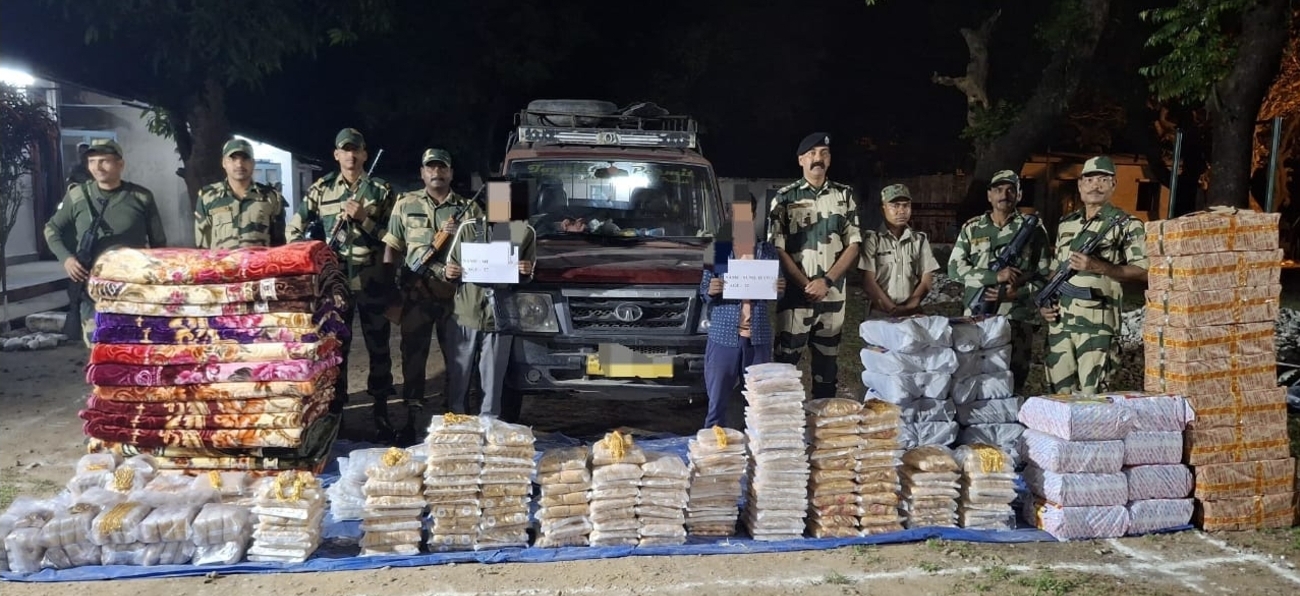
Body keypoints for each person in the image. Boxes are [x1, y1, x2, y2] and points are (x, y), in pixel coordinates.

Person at [287, 128, 397, 416]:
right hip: (335, 280)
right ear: (336, 155)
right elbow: (294, 229)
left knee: (378, 344)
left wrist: (364, 219)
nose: (351, 155)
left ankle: (381, 409)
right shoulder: (321, 188)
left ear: (364, 154)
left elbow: (394, 237)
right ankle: (336, 409)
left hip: (371, 277)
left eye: (356, 149)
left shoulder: (381, 190)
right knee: (335, 344)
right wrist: (314, 257)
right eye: (345, 150)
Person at [381, 148, 482, 444]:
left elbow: (485, 250)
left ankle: (455, 416)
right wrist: (389, 286)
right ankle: (412, 419)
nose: (436, 172)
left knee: (459, 358)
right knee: (413, 358)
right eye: (431, 168)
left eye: (442, 168)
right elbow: (392, 246)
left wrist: (462, 256)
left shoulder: (468, 209)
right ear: (422, 173)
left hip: (455, 296)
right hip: (416, 294)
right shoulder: (405, 203)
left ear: (450, 173)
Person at [1039, 156, 1148, 394]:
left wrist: (1100, 267)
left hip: (1098, 326)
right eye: (1089, 180)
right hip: (1060, 325)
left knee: (1094, 399)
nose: (1095, 185)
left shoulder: (1127, 224)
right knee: (1059, 398)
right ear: (1080, 185)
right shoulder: (1067, 224)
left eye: (1103, 180)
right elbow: (1056, 270)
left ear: (1113, 185)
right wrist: (1045, 304)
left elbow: (1143, 270)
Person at [43, 139, 168, 347]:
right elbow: (51, 229)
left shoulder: (141, 197)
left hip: (133, 289)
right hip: (92, 291)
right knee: (99, 348)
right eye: (92, 161)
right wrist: (67, 259)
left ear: (120, 164)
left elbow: (159, 244)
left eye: (104, 161)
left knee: (133, 347)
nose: (97, 167)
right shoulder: (77, 196)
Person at [767, 132, 861, 399]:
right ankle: (784, 423)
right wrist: (806, 285)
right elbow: (777, 248)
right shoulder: (784, 198)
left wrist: (826, 281)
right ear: (801, 160)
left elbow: (853, 244)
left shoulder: (844, 195)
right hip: (796, 298)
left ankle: (822, 422)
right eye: (812, 154)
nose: (818, 158)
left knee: (827, 371)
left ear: (829, 159)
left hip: (833, 297)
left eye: (824, 153)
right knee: (784, 370)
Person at [948, 170, 1050, 393]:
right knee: (971, 378)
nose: (1004, 195)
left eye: (1011, 190)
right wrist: (995, 276)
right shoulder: (972, 228)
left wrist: (1017, 293)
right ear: (989, 195)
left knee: (1013, 381)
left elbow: (1044, 276)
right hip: (977, 316)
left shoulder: (1032, 230)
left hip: (1017, 318)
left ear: (1019, 195)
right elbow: (954, 270)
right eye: (998, 190)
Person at [440, 205, 537, 420]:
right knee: (458, 380)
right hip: (466, 314)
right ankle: (457, 428)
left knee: (492, 386)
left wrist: (526, 271)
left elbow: (530, 274)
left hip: (500, 319)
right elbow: (448, 267)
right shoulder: (468, 228)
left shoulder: (525, 232)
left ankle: (488, 428)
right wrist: (449, 273)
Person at [700, 195, 784, 429]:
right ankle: (713, 445)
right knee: (716, 404)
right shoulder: (718, 250)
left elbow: (778, 292)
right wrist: (710, 290)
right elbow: (703, 291)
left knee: (759, 404)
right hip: (723, 335)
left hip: (757, 337)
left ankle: (755, 447)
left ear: (754, 216)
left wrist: (779, 288)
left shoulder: (767, 251)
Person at [859, 184, 939, 318]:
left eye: (906, 205)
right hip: (881, 313)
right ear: (883, 209)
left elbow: (926, 280)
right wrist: (892, 309)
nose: (901, 211)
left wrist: (909, 307)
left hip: (912, 312)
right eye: (895, 206)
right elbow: (868, 281)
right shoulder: (873, 240)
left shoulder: (919, 240)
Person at [194, 138, 289, 249]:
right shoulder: (208, 197)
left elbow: (279, 246)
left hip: (259, 260)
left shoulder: (271, 198)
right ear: (224, 162)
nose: (239, 164)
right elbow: (203, 247)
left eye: (245, 159)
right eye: (233, 159)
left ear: (253, 163)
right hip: (223, 261)